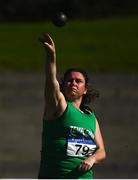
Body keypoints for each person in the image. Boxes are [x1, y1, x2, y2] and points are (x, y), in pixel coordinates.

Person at [38, 33, 106, 179]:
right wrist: (51, 57)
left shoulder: (90, 117)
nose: (73, 83)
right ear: (63, 85)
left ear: (85, 89)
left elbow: (101, 152)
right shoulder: (59, 105)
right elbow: (51, 82)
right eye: (69, 81)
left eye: (78, 81)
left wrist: (92, 159)